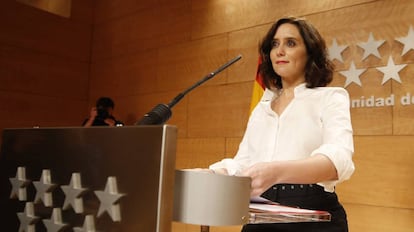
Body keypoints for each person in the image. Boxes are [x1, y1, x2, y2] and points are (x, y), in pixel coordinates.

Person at [208, 17, 355, 232]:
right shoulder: (262, 106)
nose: (279, 51)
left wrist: (276, 172)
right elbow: (244, 163)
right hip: (259, 211)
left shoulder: (331, 97)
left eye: (291, 43)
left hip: (312, 215)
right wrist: (212, 173)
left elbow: (338, 162)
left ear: (310, 52)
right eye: (274, 44)